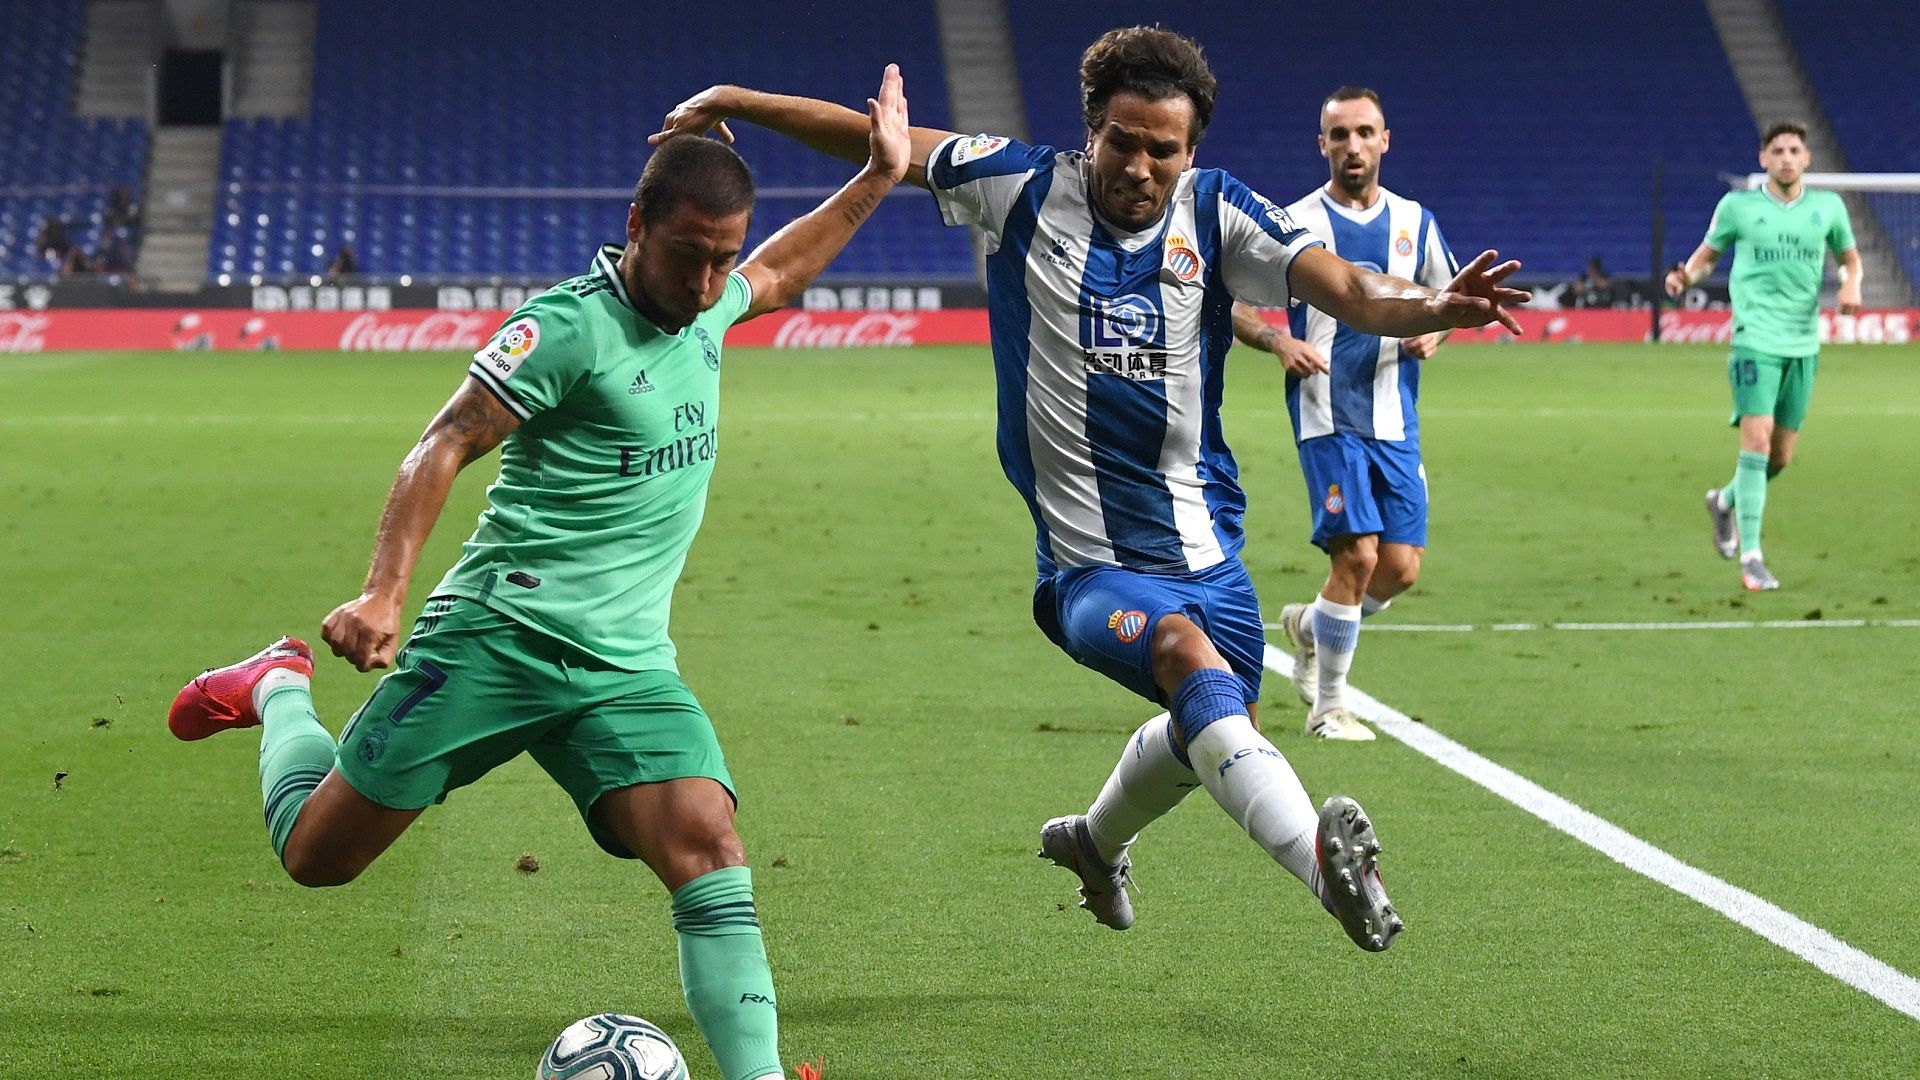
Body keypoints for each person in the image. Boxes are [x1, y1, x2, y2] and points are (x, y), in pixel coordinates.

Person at [654, 28, 1528, 952]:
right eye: (1123, 141)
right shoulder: (1019, 184)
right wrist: (737, 100)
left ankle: (1093, 841)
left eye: (1163, 150)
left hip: (1210, 554)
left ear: (1191, 155)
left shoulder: (1220, 213)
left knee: (1212, 733)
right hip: (1086, 570)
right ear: (1091, 133)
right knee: (1187, 664)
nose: (1140, 167)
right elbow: (881, 144)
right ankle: (1323, 865)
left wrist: (1435, 306)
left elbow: (1349, 286)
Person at [165, 64, 917, 1080]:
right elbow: (442, 445)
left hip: (626, 664)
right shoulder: (566, 327)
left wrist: (878, 174)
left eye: (720, 261)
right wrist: (386, 590)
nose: (706, 284)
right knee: (317, 855)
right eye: (690, 256)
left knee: (708, 843)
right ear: (636, 222)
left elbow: (779, 274)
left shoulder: (706, 305)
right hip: (497, 638)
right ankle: (280, 686)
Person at [1230, 87, 1459, 742]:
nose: (1352, 146)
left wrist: (1436, 334)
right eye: (1340, 135)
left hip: (1395, 417)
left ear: (1385, 140)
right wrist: (1279, 340)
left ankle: (1309, 625)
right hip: (1326, 412)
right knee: (1355, 558)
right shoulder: (1294, 222)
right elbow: (1231, 301)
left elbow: (1448, 300)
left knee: (1400, 569)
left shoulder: (1416, 221)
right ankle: (1329, 706)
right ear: (1322, 144)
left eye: (1364, 133)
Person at [1665, 120, 1861, 591]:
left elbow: (1849, 258)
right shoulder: (1738, 206)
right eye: (1778, 150)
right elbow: (1707, 255)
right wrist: (1686, 278)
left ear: (1807, 158)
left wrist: (1853, 282)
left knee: (1780, 457)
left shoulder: (1828, 208)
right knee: (1756, 441)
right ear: (1763, 159)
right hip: (1754, 337)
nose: (1787, 158)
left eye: (1795, 150)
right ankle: (1752, 558)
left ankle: (1726, 501)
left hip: (1802, 342)